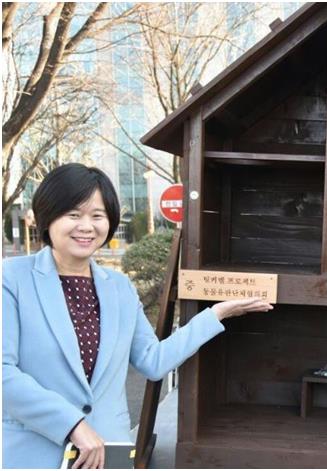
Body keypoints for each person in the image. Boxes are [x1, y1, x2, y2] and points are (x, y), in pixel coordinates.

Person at [2, 163, 273, 469]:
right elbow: (4, 373)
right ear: (48, 216)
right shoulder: (11, 279)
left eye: (97, 215)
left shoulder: (118, 286)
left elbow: (153, 361)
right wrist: (72, 425)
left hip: (108, 456)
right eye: (73, 215)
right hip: (32, 454)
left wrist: (216, 315)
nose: (86, 226)